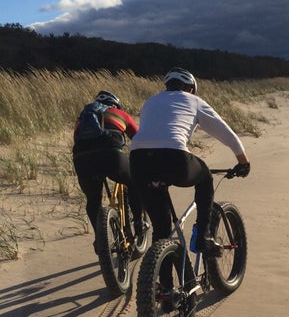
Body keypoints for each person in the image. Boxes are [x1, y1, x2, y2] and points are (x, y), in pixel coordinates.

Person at [129, 67, 250, 257]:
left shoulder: (150, 102)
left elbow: (150, 134)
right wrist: (243, 162)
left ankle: (162, 285)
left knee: (161, 229)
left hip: (138, 160)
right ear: (191, 89)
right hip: (174, 157)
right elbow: (225, 133)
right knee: (205, 178)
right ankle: (204, 235)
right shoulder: (194, 101)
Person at [72, 90, 145, 254]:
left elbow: (77, 141)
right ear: (115, 105)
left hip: (82, 159)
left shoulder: (82, 119)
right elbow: (139, 139)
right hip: (111, 156)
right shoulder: (120, 114)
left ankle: (100, 238)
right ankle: (139, 224)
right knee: (133, 181)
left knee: (93, 200)